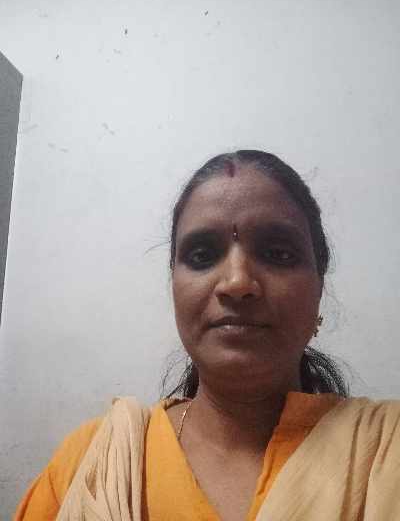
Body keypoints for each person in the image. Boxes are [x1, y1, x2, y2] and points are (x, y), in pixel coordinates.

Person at [14, 150, 400, 521]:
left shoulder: (388, 451)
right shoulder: (90, 465)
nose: (237, 282)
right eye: (201, 256)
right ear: (174, 287)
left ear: (319, 287)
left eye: (278, 253)